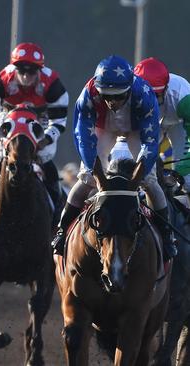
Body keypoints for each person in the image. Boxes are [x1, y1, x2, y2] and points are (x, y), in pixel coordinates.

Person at [51, 55, 177, 260]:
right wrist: (97, 175)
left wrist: (139, 176)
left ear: (129, 89)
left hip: (137, 128)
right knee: (85, 179)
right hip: (105, 127)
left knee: (150, 181)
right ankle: (62, 231)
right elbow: (83, 138)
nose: (112, 102)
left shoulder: (144, 94)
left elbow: (150, 141)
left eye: (119, 96)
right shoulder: (88, 95)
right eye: (107, 96)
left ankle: (166, 235)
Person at [0, 42, 69, 221]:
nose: (25, 76)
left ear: (40, 70)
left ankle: (58, 206)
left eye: (31, 71)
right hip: (10, 118)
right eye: (21, 70)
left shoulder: (52, 84)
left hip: (40, 121)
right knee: (1, 156)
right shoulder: (4, 80)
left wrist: (45, 139)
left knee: (45, 157)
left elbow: (59, 121)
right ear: (13, 68)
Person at [134, 57, 190, 190]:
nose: (151, 100)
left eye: (156, 95)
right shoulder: (128, 93)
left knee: (187, 179)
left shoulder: (184, 98)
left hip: (179, 122)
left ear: (166, 87)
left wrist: (181, 170)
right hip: (151, 122)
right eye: (146, 96)